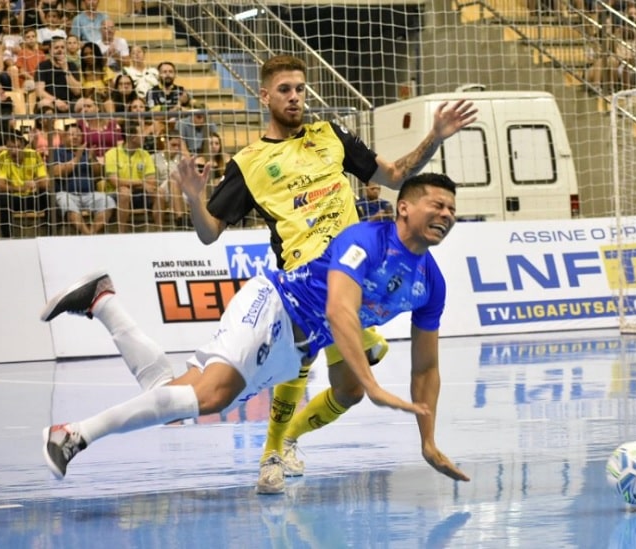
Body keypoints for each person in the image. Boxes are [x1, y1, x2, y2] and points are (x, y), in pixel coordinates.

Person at [40, 172, 469, 489]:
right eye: (437, 205)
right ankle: (73, 434)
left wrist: (427, 442)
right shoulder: (366, 241)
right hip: (275, 306)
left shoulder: (431, 283)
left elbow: (426, 369)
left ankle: (103, 301)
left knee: (177, 394)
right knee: (213, 394)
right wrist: (371, 385)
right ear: (405, 208)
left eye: (451, 209)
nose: (446, 215)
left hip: (293, 350)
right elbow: (340, 311)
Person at [180, 54, 476, 494]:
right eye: (285, 89)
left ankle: (292, 436)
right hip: (300, 281)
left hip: (352, 276)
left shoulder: (330, 136)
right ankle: (271, 456)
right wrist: (193, 197)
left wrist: (434, 136)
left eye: (300, 88)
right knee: (296, 366)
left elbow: (395, 176)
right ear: (264, 96)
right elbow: (209, 233)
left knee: (350, 391)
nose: (295, 97)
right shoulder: (250, 163)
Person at [52, 124, 115, 234]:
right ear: (64, 137)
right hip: (66, 194)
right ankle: (87, 234)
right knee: (66, 203)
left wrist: (91, 158)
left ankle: (91, 234)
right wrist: (77, 158)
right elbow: (57, 172)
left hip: (89, 194)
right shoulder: (57, 151)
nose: (75, 137)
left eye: (78, 135)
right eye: (71, 135)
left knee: (108, 201)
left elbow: (98, 175)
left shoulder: (86, 152)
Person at [103, 121, 164, 231]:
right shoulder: (111, 154)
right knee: (124, 192)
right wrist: (141, 182)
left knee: (159, 192)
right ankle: (122, 234)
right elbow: (115, 182)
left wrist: (140, 184)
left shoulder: (145, 154)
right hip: (116, 194)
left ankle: (159, 232)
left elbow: (152, 181)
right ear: (132, 137)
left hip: (139, 192)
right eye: (142, 133)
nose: (145, 136)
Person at [0, 131, 50, 238]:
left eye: (17, 147)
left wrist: (35, 184)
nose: (14, 151)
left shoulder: (33, 155)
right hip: (13, 199)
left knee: (49, 196)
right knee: (2, 198)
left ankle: (51, 237)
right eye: (11, 148)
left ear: (23, 146)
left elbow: (45, 182)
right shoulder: (2, 157)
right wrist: (20, 188)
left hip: (31, 197)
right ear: (6, 147)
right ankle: (8, 239)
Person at [35, 35, 81, 113]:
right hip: (50, 101)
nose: (60, 50)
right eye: (56, 48)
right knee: (45, 104)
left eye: (62, 47)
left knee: (86, 104)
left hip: (70, 102)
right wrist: (56, 101)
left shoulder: (72, 65)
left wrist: (65, 70)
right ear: (50, 50)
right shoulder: (43, 66)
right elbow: (39, 92)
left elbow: (77, 91)